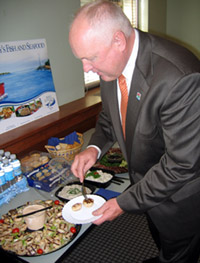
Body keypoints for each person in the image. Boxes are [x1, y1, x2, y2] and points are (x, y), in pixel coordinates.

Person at [69, 1, 200, 262]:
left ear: (118, 40)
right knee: (161, 241)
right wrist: (94, 148)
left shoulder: (180, 78)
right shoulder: (112, 69)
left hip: (180, 200)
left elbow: (182, 165)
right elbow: (110, 116)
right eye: (81, 59)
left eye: (91, 57)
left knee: (180, 253)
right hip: (148, 190)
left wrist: (124, 202)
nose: (85, 68)